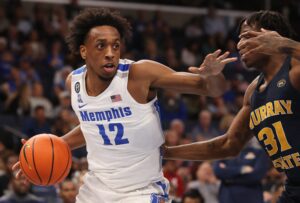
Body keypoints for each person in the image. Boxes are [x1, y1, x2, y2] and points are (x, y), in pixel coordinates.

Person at [13, 8, 236, 203]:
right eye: (101, 46)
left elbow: (211, 89)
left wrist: (213, 76)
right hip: (96, 189)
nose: (110, 53)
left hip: (141, 190)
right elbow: (93, 125)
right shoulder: (74, 82)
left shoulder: (139, 75)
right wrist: (48, 150)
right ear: (83, 51)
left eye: (116, 46)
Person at [164, 10, 300, 203]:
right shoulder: (253, 91)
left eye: (246, 36)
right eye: (239, 38)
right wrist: (166, 152)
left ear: (271, 35)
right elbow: (228, 144)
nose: (239, 44)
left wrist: (285, 44)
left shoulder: (294, 69)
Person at [213, 138, 269, 203]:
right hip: (228, 198)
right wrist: (241, 170)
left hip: (251, 197)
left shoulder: (259, 153)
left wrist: (228, 177)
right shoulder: (224, 153)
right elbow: (218, 171)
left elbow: (257, 175)